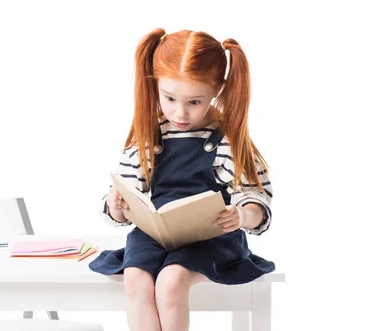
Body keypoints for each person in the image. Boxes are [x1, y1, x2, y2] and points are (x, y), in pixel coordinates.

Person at [89, 28, 275, 331]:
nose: (180, 112)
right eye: (170, 98)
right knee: (135, 279)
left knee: (171, 281)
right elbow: (124, 203)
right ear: (156, 86)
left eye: (194, 102)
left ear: (216, 91)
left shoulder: (226, 138)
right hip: (155, 234)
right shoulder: (149, 136)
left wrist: (241, 215)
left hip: (211, 235)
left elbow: (257, 199)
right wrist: (117, 203)